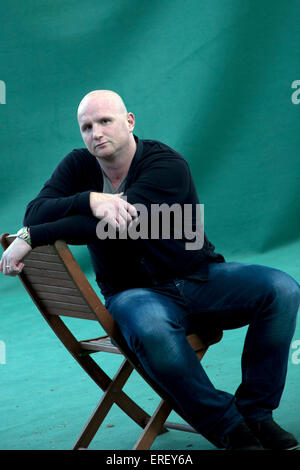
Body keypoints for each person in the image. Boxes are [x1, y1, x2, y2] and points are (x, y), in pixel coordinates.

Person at [1, 90, 299, 450]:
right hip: (133, 294)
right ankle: (228, 426)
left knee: (282, 289)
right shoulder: (79, 166)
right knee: (152, 327)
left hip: (198, 277)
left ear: (129, 122)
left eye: (105, 121)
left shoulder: (166, 164)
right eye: (87, 126)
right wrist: (91, 199)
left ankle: (257, 413)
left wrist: (34, 236)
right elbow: (36, 210)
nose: (96, 132)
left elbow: (115, 224)